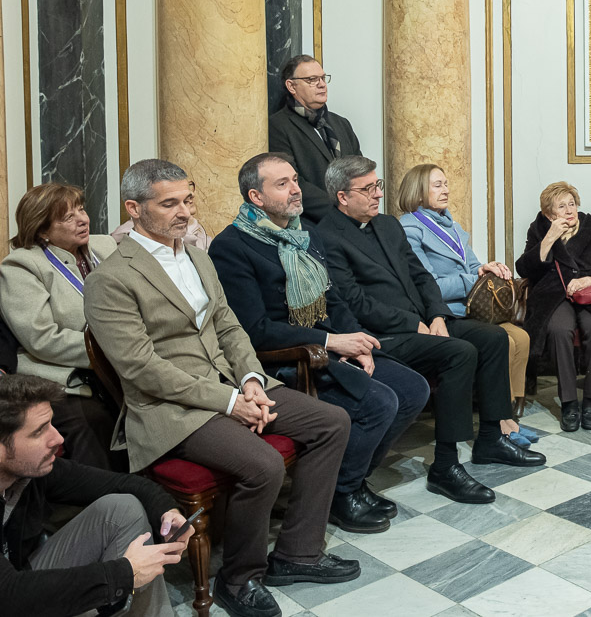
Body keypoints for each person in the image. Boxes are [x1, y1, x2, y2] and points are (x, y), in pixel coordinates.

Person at [85, 159, 359, 617]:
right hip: (169, 408)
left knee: (331, 421)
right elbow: (140, 367)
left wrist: (250, 379)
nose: (184, 213)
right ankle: (239, 578)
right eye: (168, 203)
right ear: (134, 208)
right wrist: (229, 400)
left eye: (188, 200)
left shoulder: (195, 255)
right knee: (264, 463)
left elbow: (229, 327)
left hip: (229, 383)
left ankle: (296, 552)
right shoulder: (110, 279)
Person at [210, 153, 430, 534]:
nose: (296, 189)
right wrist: (332, 342)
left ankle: (353, 479)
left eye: (295, 179)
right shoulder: (232, 246)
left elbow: (335, 301)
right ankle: (340, 493)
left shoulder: (304, 236)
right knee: (379, 402)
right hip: (287, 359)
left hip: (329, 346)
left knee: (413, 389)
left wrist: (356, 342)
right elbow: (254, 329)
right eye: (282, 184)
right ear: (255, 197)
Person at [314, 156, 544, 506]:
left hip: (423, 321)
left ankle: (490, 438)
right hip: (383, 333)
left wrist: (437, 315)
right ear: (343, 197)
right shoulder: (327, 236)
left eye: (378, 186)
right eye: (368, 189)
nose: (378, 195)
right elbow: (355, 302)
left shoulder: (388, 224)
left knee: (493, 337)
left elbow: (421, 277)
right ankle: (446, 466)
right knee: (459, 352)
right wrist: (413, 324)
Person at [0, 374, 192, 616]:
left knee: (123, 508)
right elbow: (8, 595)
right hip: (8, 596)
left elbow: (124, 484)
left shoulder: (33, 471)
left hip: (19, 577)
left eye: (51, 423)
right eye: (39, 432)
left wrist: (169, 513)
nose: (57, 439)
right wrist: (124, 573)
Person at [0, 183, 122, 469]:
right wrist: (110, 350)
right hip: (63, 375)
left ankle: (150, 494)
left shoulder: (105, 247)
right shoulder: (21, 266)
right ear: (42, 230)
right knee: (94, 420)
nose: (82, 219)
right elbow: (42, 338)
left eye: (81, 209)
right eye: (68, 217)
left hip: (118, 365)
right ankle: (101, 503)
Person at [396, 164, 530, 420]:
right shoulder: (410, 229)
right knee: (507, 340)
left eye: (446, 184)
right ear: (419, 191)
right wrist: (474, 279)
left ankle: (511, 411)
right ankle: (502, 422)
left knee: (521, 338)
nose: (445, 190)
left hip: (470, 309)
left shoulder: (452, 226)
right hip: (444, 314)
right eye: (438, 185)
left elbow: (472, 267)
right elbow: (429, 286)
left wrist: (487, 269)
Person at [515, 182, 591, 432]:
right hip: (553, 295)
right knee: (559, 330)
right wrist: (549, 238)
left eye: (571, 204)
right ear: (549, 214)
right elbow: (524, 268)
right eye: (561, 206)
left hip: (590, 294)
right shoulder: (539, 229)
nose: (568, 210)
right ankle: (568, 402)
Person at [268, 54, 361, 222]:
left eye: (323, 78)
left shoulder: (341, 123)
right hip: (314, 223)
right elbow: (292, 182)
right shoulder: (278, 126)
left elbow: (360, 171)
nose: (322, 84)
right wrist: (339, 211)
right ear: (291, 86)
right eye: (312, 79)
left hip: (354, 218)